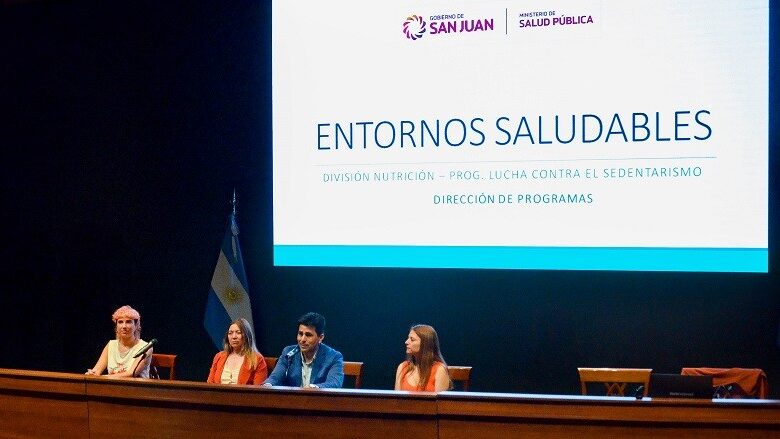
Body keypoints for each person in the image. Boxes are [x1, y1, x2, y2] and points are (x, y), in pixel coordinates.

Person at [263, 312, 344, 388]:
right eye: (300, 334)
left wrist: (314, 388)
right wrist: (268, 385)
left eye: (308, 335)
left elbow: (334, 383)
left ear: (320, 337)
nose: (302, 339)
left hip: (318, 398)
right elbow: (275, 377)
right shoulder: (288, 353)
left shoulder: (333, 357)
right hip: (292, 398)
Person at [85, 305, 152, 378]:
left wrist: (104, 378)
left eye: (128, 322)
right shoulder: (111, 345)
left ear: (136, 326)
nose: (124, 326)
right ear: (116, 327)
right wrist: (92, 374)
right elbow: (97, 370)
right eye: (120, 322)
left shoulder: (145, 347)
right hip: (112, 385)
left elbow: (131, 373)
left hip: (136, 385)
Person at [207, 318, 268, 385]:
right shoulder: (219, 357)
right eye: (230, 333)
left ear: (247, 336)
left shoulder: (257, 359)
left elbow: (258, 389)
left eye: (238, 333)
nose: (234, 337)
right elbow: (210, 384)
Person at [395, 324, 451, 392]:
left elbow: (441, 399)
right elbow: (396, 398)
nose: (406, 342)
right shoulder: (402, 367)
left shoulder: (439, 370)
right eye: (408, 338)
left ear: (425, 344)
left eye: (412, 339)